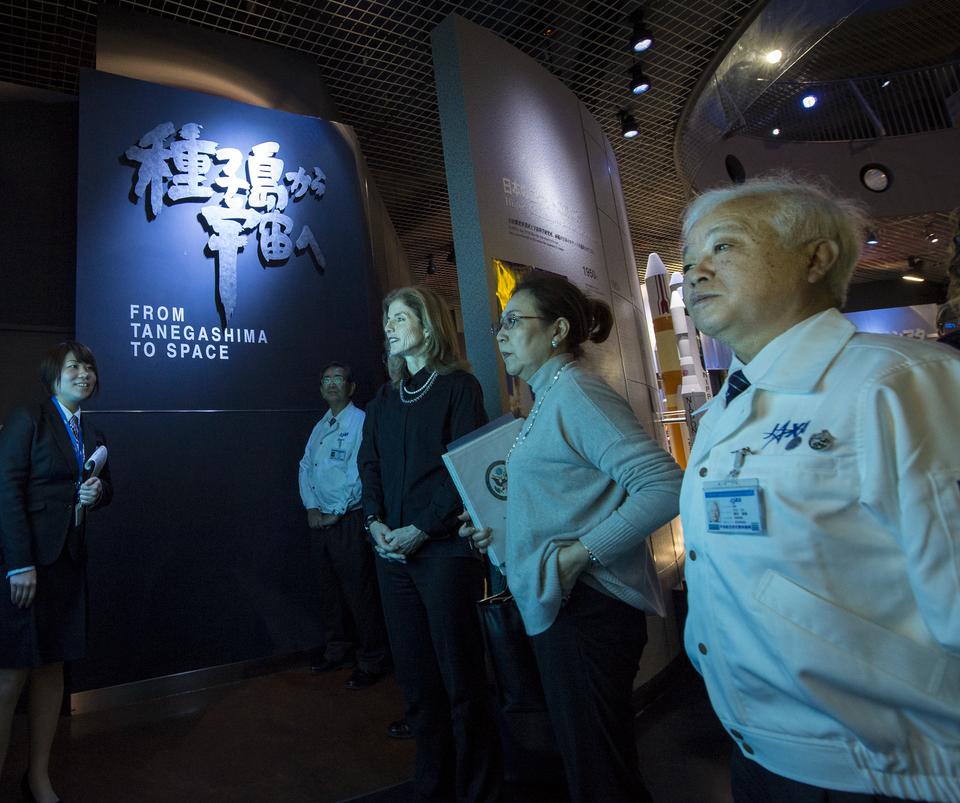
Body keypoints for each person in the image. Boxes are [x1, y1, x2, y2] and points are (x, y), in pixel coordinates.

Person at [679, 175, 960, 802]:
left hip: (894, 772)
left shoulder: (901, 384)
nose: (696, 271)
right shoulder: (731, 404)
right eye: (691, 257)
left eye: (723, 247)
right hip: (764, 754)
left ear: (817, 258)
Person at [463, 273, 681, 802]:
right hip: (569, 608)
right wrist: (501, 533)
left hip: (590, 610)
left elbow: (666, 485)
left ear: (558, 329)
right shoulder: (548, 397)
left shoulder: (577, 392)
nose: (502, 334)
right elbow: (563, 500)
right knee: (592, 764)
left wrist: (581, 556)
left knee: (601, 775)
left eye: (515, 322)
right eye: (501, 323)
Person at [359, 286, 501, 802]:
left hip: (442, 554)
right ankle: (432, 787)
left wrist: (422, 527)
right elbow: (368, 466)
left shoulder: (460, 388)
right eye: (387, 319)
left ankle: (480, 791)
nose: (390, 327)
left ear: (428, 324)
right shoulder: (383, 399)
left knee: (462, 680)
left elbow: (464, 468)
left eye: (400, 318)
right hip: (392, 556)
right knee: (417, 685)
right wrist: (374, 521)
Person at [0, 341, 112, 803]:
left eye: (89, 368)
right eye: (74, 366)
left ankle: (37, 779)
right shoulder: (28, 418)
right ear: (53, 375)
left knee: (52, 674)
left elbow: (106, 487)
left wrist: (99, 492)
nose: (84, 374)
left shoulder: (91, 431)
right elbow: (5, 489)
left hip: (65, 567)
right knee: (6, 680)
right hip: (18, 569)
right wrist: (20, 564)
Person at [299, 361, 390, 689]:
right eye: (326, 379)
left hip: (348, 521)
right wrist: (311, 506)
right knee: (330, 593)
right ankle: (337, 650)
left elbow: (361, 471)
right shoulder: (321, 425)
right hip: (320, 522)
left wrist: (336, 511)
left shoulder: (361, 422)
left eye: (338, 379)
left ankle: (373, 659)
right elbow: (305, 465)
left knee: (360, 594)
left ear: (351, 387)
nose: (332, 384)